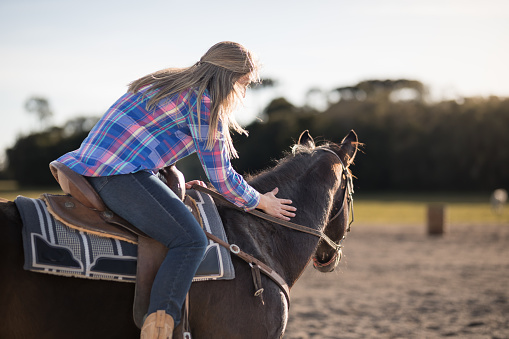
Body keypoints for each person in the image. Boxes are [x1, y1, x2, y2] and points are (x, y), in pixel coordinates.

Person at [53, 41, 297, 339]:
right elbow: (221, 178)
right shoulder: (204, 105)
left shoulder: (163, 81)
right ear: (229, 78)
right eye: (242, 84)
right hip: (116, 173)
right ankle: (159, 325)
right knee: (191, 240)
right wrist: (260, 201)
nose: (241, 93)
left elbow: (144, 139)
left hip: (95, 165)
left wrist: (165, 180)